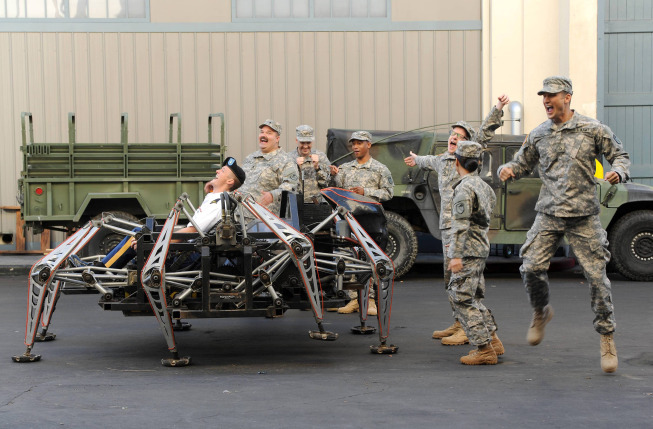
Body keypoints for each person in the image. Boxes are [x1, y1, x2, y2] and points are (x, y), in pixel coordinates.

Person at [497, 76, 630, 373]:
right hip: (549, 213)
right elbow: (522, 163)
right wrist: (508, 169)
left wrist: (618, 172)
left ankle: (607, 337)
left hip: (584, 216)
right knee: (530, 267)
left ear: (567, 97)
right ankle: (541, 311)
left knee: (597, 279)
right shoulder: (539, 133)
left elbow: (619, 156)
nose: (546, 100)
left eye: (552, 96)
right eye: (543, 96)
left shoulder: (592, 129)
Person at [404, 94, 510, 346]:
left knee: (466, 281)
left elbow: (484, 133)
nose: (453, 137)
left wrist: (497, 108)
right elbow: (425, 160)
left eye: (460, 135)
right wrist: (414, 158)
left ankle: (472, 329)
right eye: (453, 133)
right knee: (450, 279)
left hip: (466, 229)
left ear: (467, 144)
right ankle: (460, 322)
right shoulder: (442, 160)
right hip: (448, 229)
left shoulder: (470, 158)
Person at [91, 157, 246, 269]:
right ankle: (102, 266)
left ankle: (101, 269)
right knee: (141, 232)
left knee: (140, 235)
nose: (218, 171)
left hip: (187, 254)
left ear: (230, 182)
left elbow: (192, 232)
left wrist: (156, 243)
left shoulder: (218, 204)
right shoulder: (215, 199)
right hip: (188, 249)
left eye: (223, 171)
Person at [447, 141, 503, 365]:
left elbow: (461, 224)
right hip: (480, 247)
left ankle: (484, 348)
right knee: (475, 296)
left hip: (468, 249)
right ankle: (493, 340)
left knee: (461, 297)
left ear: (457, 161)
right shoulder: (484, 186)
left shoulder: (464, 187)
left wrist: (456, 255)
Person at [330, 130, 394, 316]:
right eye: (353, 144)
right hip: (348, 219)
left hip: (370, 221)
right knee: (348, 257)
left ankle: (371, 300)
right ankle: (354, 300)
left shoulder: (381, 169)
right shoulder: (345, 168)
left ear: (369, 145)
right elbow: (336, 191)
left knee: (369, 259)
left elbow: (389, 193)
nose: (355, 147)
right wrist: (332, 175)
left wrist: (364, 192)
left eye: (359, 143)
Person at [238, 119, 299, 218]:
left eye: (269, 133)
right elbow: (238, 180)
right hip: (240, 217)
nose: (263, 135)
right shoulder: (250, 158)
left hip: (264, 222)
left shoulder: (286, 161)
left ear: (277, 138)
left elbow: (292, 185)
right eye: (262, 132)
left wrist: (273, 195)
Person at [289, 125, 331, 203]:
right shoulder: (288, 158)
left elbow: (327, 184)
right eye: (302, 142)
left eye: (308, 142)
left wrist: (317, 168)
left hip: (317, 204)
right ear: (296, 140)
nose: (305, 146)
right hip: (295, 204)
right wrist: (296, 168)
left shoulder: (321, 157)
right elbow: (286, 185)